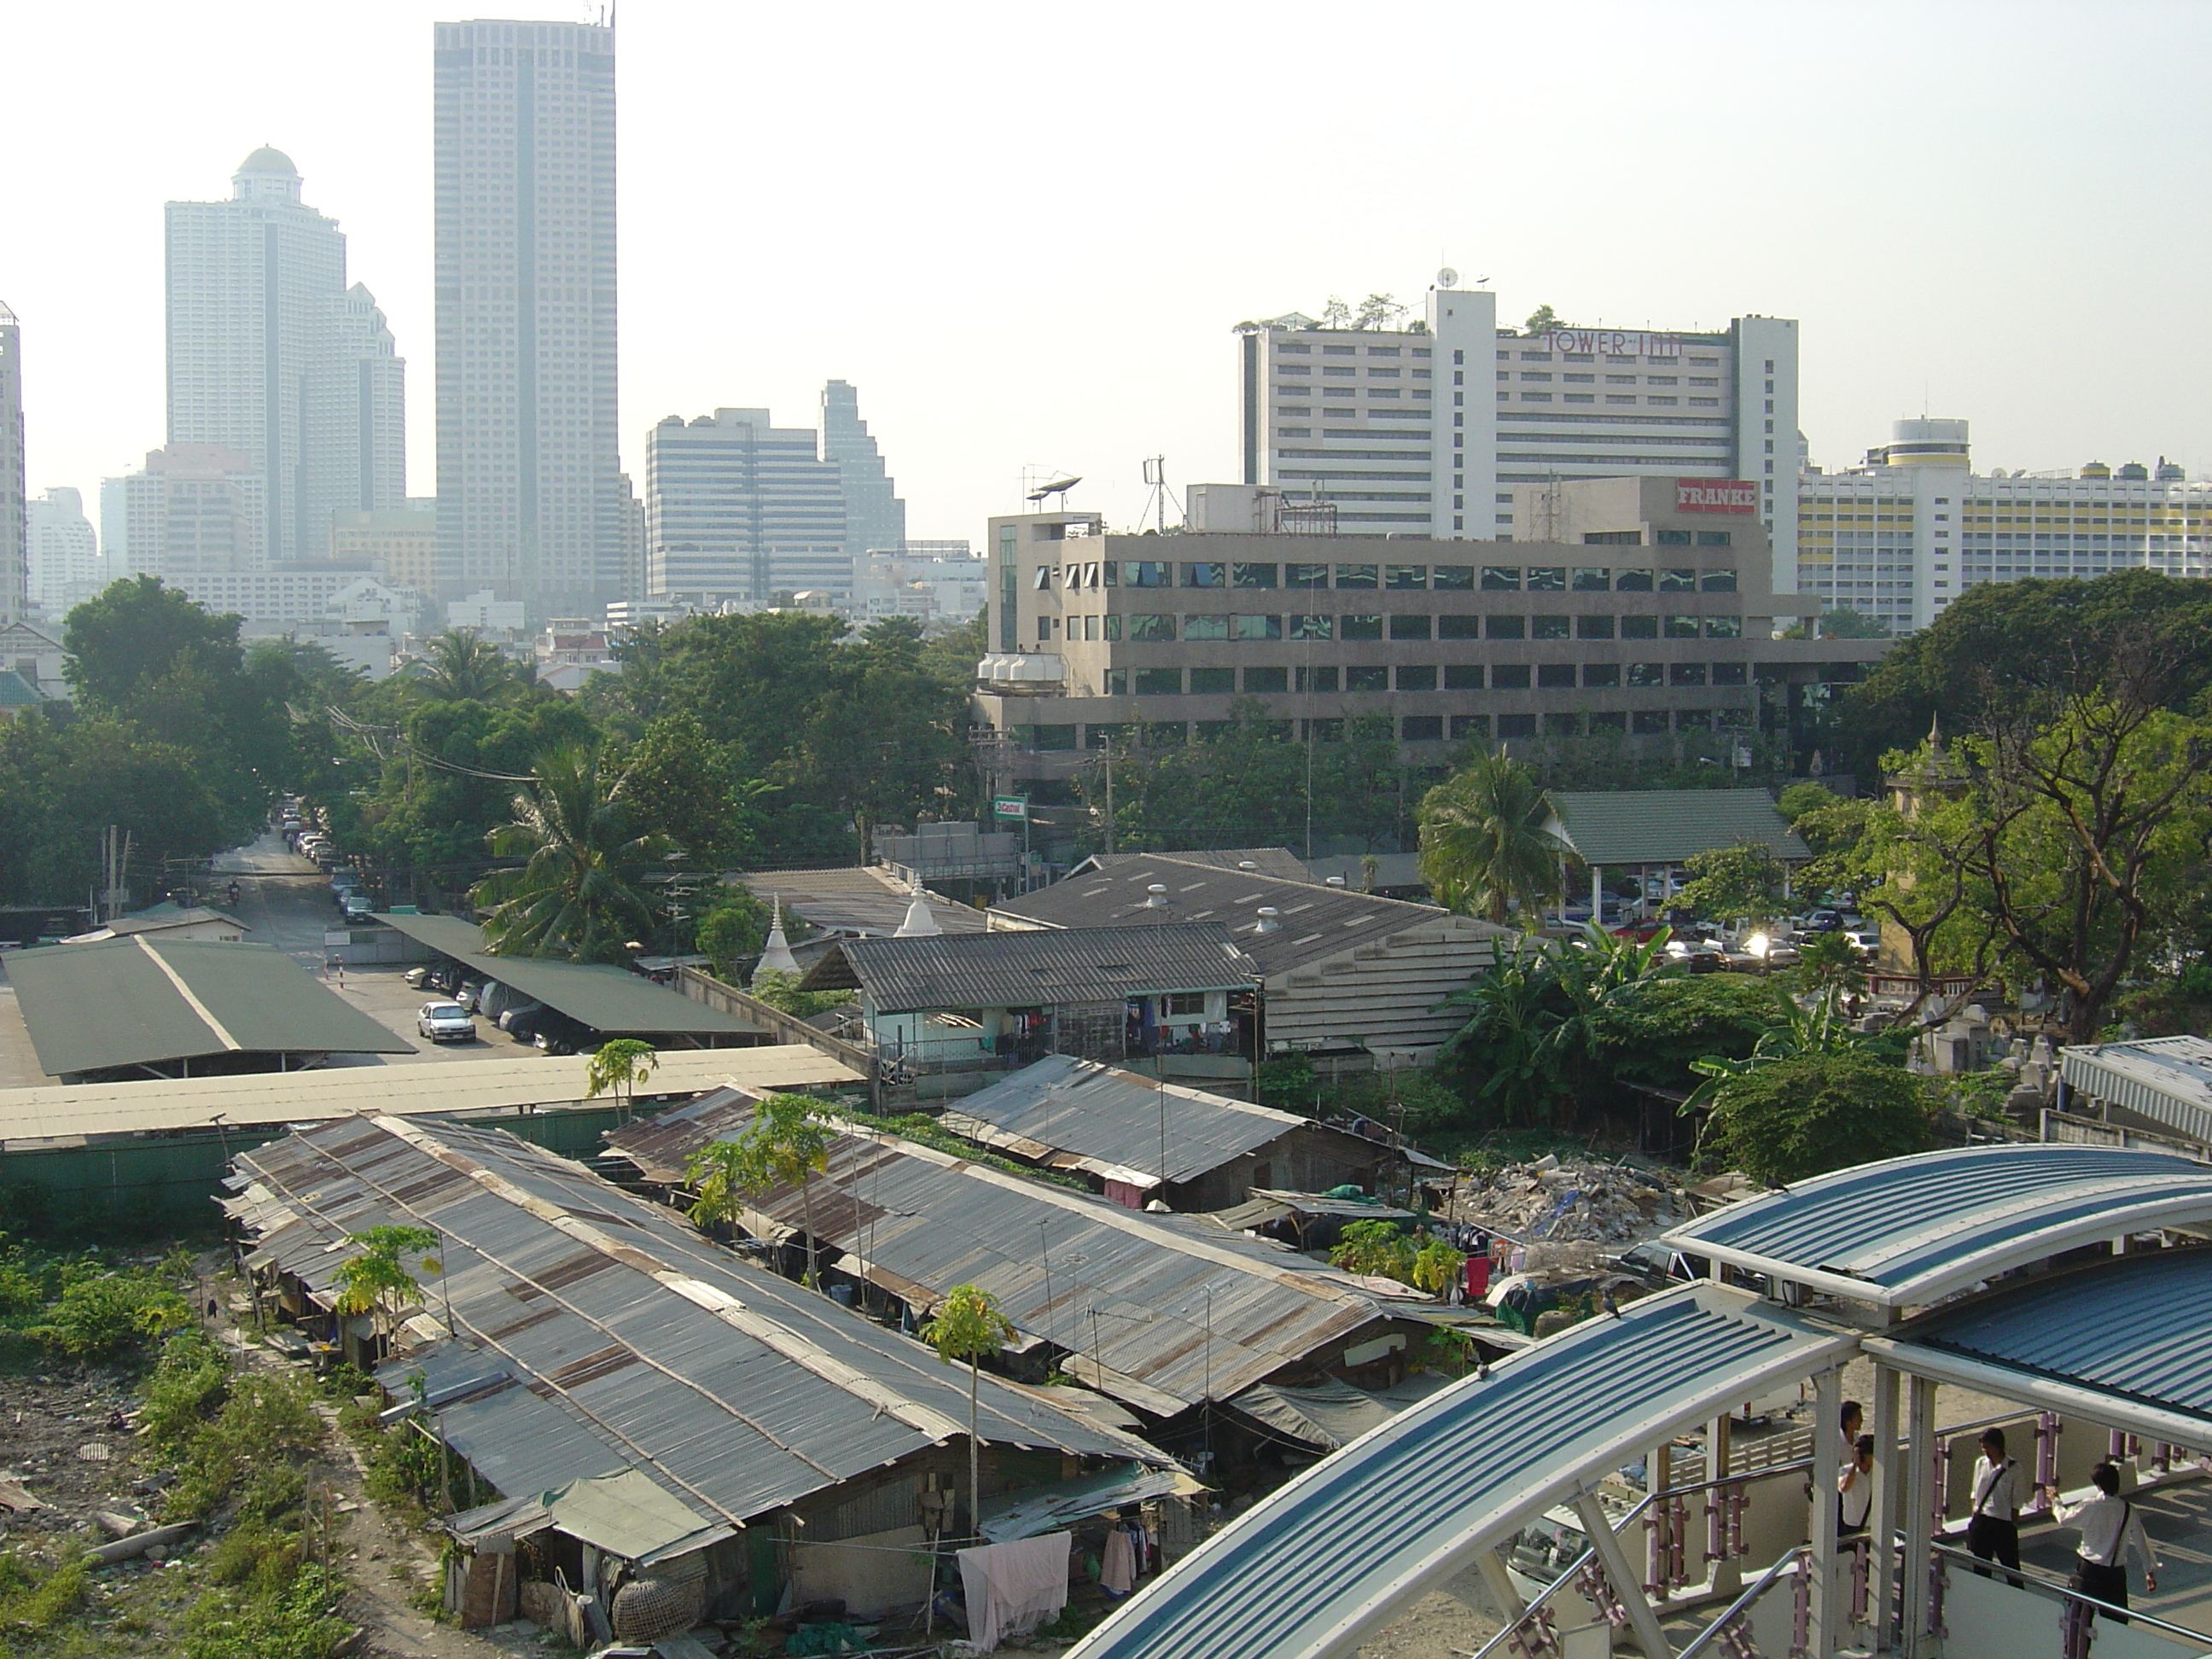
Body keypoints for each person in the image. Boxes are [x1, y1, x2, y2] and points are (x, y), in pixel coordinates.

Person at [2046, 1464, 2158, 1622]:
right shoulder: (2128, 1510)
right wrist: (2149, 1571)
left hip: (2089, 1570)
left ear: (2098, 1485)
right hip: (2114, 1575)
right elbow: (2141, 1541)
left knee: (2079, 1621)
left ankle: (2076, 1647)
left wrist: (2056, 1501)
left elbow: (2064, 1519)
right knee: (2116, 1624)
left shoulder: (2090, 1505)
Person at [1966, 1427, 2022, 1577]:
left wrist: (2012, 1525)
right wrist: (1975, 1515)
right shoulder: (1980, 1464)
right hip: (1982, 1519)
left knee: (2011, 1568)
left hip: (2003, 1522)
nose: (1985, 1451)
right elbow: (1975, 1492)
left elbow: (2016, 1501)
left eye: (1988, 1447)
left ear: (1998, 1446)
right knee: (1981, 1567)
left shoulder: (2014, 1469)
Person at [1838, 1434, 1876, 1537]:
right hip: (1852, 1527)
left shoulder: (1877, 1472)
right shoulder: (1845, 1471)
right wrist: (1855, 1464)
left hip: (1872, 1525)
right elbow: (1844, 1487)